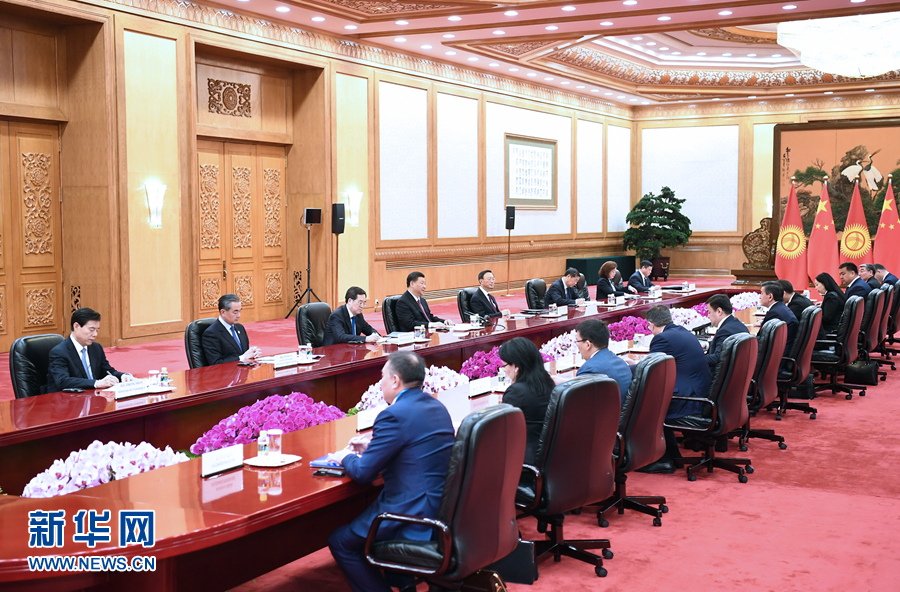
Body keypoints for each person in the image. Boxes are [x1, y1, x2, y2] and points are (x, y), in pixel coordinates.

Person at [327, 352, 454, 592]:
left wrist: (345, 457)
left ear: (395, 380)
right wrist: (373, 449)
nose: (380, 382)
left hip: (410, 512)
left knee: (340, 542)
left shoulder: (393, 415)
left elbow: (363, 474)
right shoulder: (436, 406)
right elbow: (415, 450)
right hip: (443, 508)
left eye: (382, 376)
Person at [642, 305, 712, 474]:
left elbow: (649, 369)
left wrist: (624, 368)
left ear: (651, 325)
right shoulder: (683, 332)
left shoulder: (662, 339)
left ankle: (662, 459)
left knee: (646, 406)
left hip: (689, 400)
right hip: (702, 394)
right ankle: (673, 456)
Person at [48, 308, 134, 393]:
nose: (95, 334)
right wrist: (96, 383)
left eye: (97, 330)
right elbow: (63, 381)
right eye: (91, 330)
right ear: (76, 326)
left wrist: (123, 376)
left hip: (92, 396)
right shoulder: (59, 352)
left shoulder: (96, 348)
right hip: (68, 398)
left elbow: (107, 372)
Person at [498, 337, 556, 465]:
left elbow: (503, 432)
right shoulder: (549, 383)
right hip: (552, 457)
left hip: (525, 461)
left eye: (504, 365)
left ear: (516, 366)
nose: (504, 370)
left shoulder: (516, 392)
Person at [574, 318, 634, 402]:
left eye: (578, 341)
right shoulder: (621, 362)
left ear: (588, 344)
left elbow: (579, 403)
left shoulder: (588, 370)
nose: (577, 346)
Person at [202, 294, 261, 366]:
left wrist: (252, 354)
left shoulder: (240, 328)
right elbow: (216, 363)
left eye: (240, 311)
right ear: (223, 312)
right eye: (235, 312)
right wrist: (242, 358)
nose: (239, 315)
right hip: (226, 372)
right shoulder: (211, 333)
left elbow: (244, 353)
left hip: (244, 371)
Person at [704, 294, 749, 368]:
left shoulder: (725, 331)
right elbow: (723, 345)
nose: (708, 316)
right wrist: (706, 345)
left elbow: (717, 358)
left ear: (719, 311)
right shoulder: (738, 324)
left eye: (709, 312)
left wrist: (694, 357)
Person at [760, 281, 799, 356]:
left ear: (770, 297)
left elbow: (763, 340)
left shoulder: (774, 313)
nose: (760, 297)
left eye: (761, 293)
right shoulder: (781, 308)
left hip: (777, 357)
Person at [815, 272, 846, 337]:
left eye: (817, 285)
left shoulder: (831, 297)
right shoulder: (834, 294)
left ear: (824, 284)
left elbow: (827, 318)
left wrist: (814, 320)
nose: (816, 287)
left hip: (832, 329)